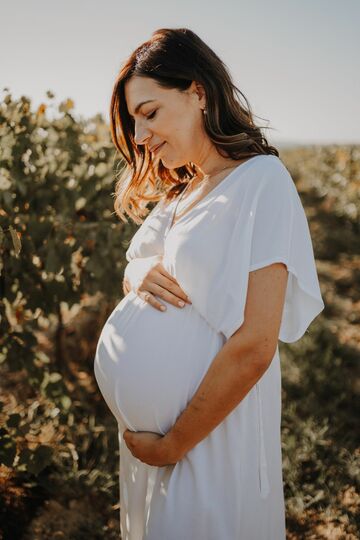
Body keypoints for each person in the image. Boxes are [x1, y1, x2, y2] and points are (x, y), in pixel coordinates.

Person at [93, 27, 325, 540]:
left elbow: (255, 344)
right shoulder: (182, 191)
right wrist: (134, 274)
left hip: (207, 439)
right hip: (152, 450)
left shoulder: (261, 180)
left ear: (197, 91)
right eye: (134, 122)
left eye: (150, 113)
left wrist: (174, 443)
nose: (141, 136)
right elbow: (141, 264)